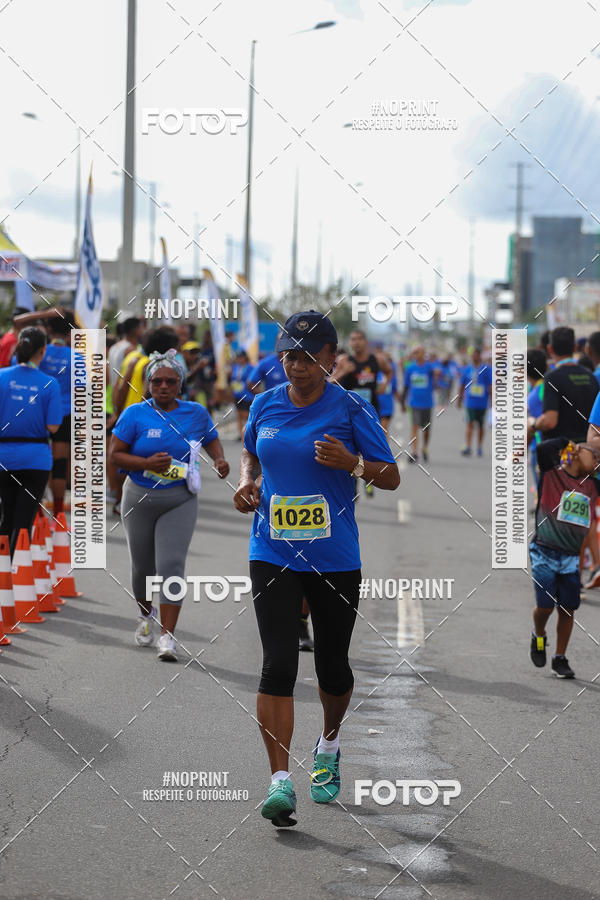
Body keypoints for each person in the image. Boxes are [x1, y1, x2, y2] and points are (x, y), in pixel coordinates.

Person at [233, 310, 400, 828]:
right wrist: (247, 481)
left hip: (333, 557)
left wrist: (351, 463)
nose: (297, 366)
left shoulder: (351, 406)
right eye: (289, 356)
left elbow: (391, 476)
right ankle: (279, 781)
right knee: (278, 663)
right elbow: (251, 453)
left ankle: (328, 744)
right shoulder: (265, 403)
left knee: (332, 666)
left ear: (331, 359)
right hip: (272, 550)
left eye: (308, 357)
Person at [110, 349, 230, 661]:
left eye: (171, 381)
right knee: (142, 568)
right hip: (138, 496)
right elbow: (115, 455)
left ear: (181, 384)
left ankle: (168, 636)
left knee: (171, 566)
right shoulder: (134, 414)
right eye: (157, 381)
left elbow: (210, 439)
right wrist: (145, 463)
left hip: (179, 498)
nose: (163, 386)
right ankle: (145, 614)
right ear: (148, 384)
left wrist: (219, 459)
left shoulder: (196, 413)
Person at [529, 438, 600, 678]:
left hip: (571, 558)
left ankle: (559, 657)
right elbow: (543, 448)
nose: (598, 462)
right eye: (596, 456)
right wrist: (567, 442)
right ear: (579, 451)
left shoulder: (593, 485)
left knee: (568, 609)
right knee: (545, 606)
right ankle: (539, 635)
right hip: (544, 551)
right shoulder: (552, 474)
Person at [0, 327, 62, 553]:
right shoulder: (50, 384)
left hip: (4, 457)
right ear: (43, 351)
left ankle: (2, 566)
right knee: (24, 521)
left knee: (6, 515)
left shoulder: (1, 376)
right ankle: (18, 566)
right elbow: (53, 426)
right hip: (36, 459)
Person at [38, 311, 78, 517]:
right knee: (60, 464)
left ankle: (37, 512)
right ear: (69, 331)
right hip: (65, 414)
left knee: (39, 462)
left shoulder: (40, 353)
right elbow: (83, 389)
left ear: (49, 329)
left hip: (39, 413)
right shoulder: (76, 357)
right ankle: (59, 514)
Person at [533, 327, 598, 444]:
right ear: (575, 347)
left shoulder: (552, 378)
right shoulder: (590, 376)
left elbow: (550, 421)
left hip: (562, 450)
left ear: (550, 349)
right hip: (587, 449)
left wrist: (533, 424)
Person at [401, 346, 437, 463]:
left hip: (427, 404)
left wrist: (438, 374)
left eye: (417, 352)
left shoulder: (429, 367)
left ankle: (424, 448)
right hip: (414, 403)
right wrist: (402, 402)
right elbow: (406, 386)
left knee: (426, 430)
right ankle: (414, 453)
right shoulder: (410, 368)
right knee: (414, 427)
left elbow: (438, 376)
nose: (415, 354)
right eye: (414, 352)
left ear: (423, 353)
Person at [458, 348, 492, 456]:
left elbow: (490, 385)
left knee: (481, 425)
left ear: (479, 355)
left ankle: (479, 447)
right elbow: (461, 385)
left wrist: (492, 400)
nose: (474, 357)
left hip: (482, 402)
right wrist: (459, 399)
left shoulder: (486, 369)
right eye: (472, 355)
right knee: (470, 423)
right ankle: (468, 446)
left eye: (476, 354)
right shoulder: (467, 369)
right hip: (470, 402)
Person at [230, 349, 254, 439]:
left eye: (241, 357)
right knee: (239, 414)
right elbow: (233, 379)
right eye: (238, 358)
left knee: (247, 415)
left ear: (245, 357)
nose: (239, 359)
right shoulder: (235, 367)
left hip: (247, 394)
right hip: (237, 393)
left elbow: (253, 380)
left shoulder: (250, 367)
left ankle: (249, 433)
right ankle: (241, 434)